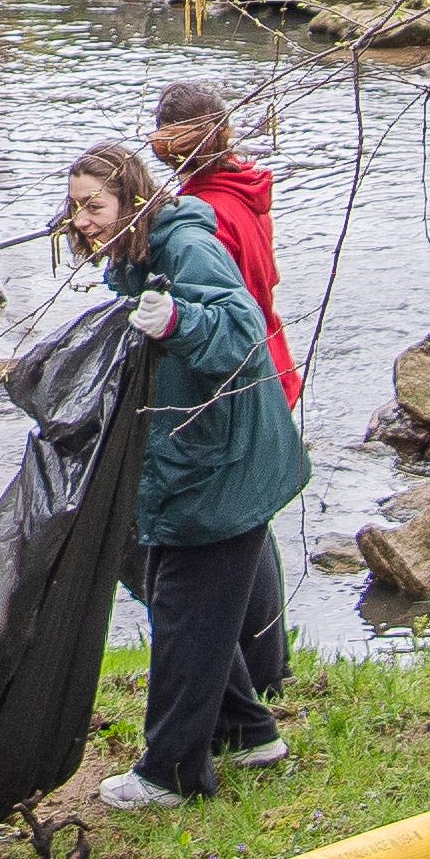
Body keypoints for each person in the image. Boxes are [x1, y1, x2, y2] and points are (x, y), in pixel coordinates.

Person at [59, 143, 308, 811]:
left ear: (132, 199)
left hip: (222, 460)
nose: (83, 220)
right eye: (75, 207)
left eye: (95, 206)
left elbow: (241, 326)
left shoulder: (185, 245)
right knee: (177, 601)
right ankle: (246, 731)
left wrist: (177, 319)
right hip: (195, 453)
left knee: (183, 615)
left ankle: (172, 773)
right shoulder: (138, 253)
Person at [148, 80, 303, 401]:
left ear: (165, 148)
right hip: (275, 359)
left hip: (244, 379)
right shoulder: (245, 188)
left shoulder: (200, 219)